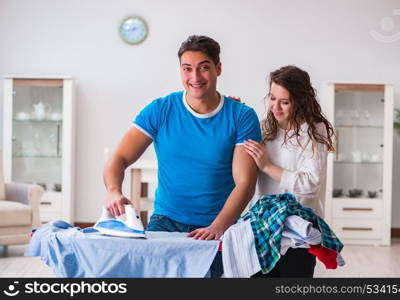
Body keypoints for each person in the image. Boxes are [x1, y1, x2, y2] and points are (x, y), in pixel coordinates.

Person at [103, 35, 261, 277]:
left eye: (204, 68)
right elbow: (119, 158)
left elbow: (245, 182)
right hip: (166, 221)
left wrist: (219, 226)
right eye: (187, 69)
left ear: (218, 68)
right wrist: (114, 190)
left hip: (220, 224)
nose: (195, 77)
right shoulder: (160, 109)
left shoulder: (241, 116)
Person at [242, 65, 335, 278]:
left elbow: (311, 184)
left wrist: (267, 166)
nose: (276, 107)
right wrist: (233, 112)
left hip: (298, 237)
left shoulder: (314, 130)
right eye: (272, 98)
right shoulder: (264, 127)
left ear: (300, 102)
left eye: (284, 102)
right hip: (262, 231)